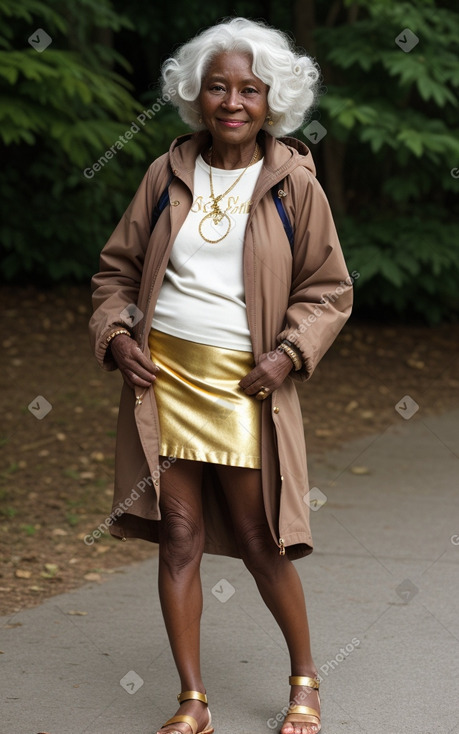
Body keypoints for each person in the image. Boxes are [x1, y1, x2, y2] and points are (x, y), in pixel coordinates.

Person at [89, 17, 352, 734]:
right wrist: (115, 334)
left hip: (247, 388)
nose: (231, 101)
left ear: (272, 102)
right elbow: (114, 272)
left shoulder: (293, 182)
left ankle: (304, 680)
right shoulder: (165, 172)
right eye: (216, 87)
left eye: (249, 89)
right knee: (179, 538)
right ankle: (192, 700)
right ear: (195, 96)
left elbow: (328, 290)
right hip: (162, 381)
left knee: (259, 538)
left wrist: (288, 353)